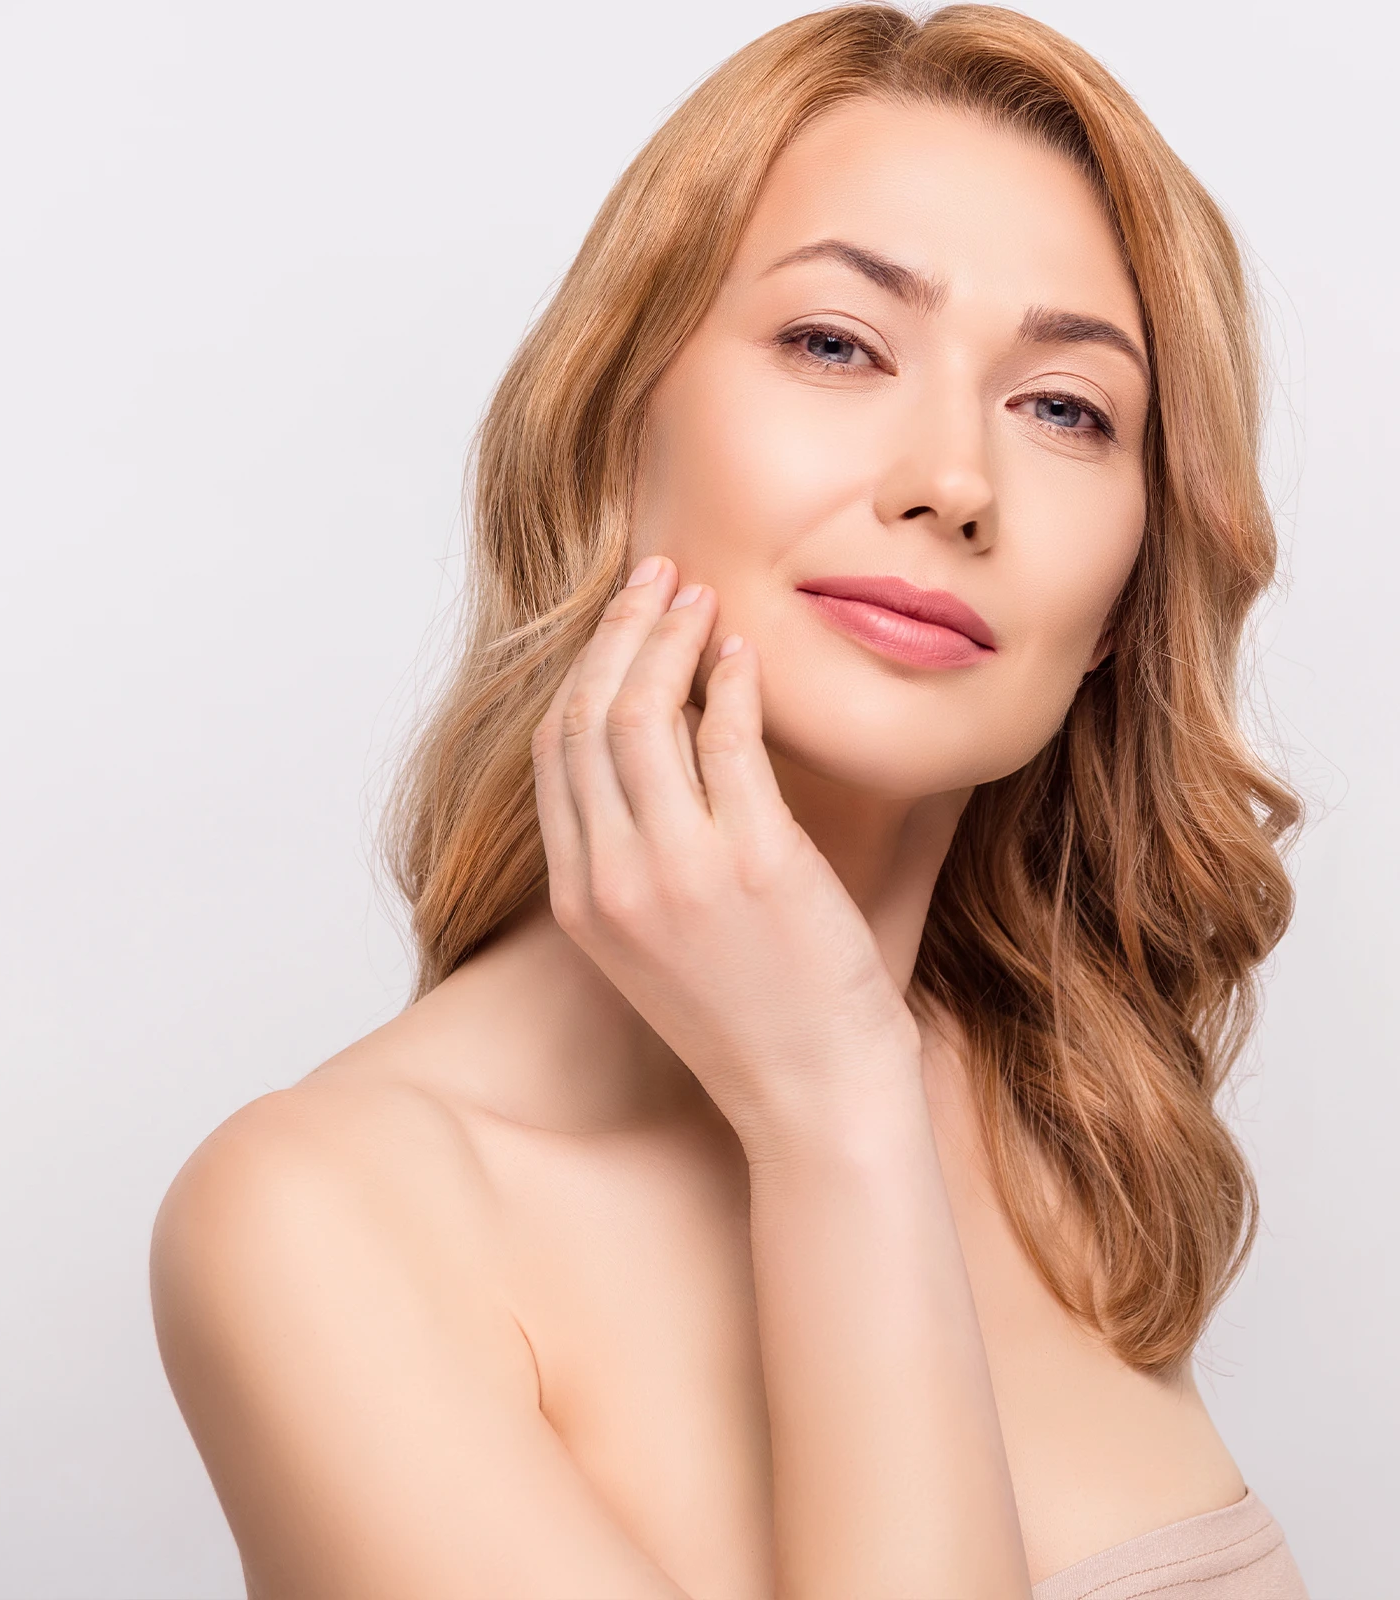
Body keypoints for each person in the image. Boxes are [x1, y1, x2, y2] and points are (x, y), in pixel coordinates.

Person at [149, 6, 1307, 1594]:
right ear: (617, 429)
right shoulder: (322, 1225)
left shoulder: (1065, 1113)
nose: (954, 481)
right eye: (837, 343)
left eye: (1065, 409)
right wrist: (831, 1105)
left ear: (1121, 603)